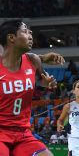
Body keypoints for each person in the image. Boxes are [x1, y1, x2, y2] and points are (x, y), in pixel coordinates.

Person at [0, 20, 64, 156]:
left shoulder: (33, 60)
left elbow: (40, 80)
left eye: (30, 32)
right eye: (25, 31)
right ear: (11, 38)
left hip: (23, 134)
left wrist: (48, 83)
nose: (30, 34)